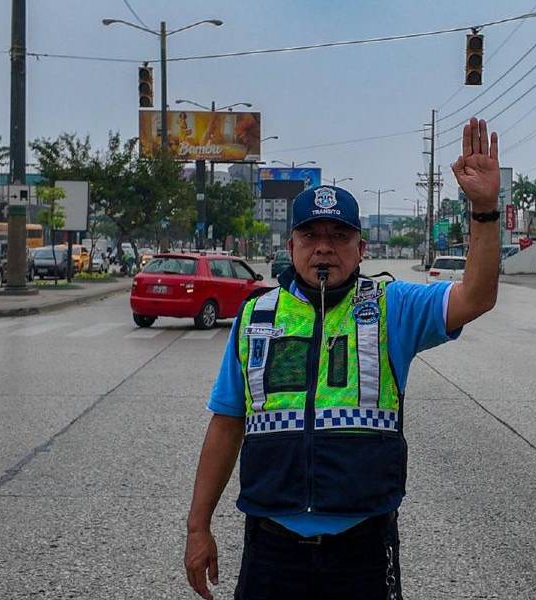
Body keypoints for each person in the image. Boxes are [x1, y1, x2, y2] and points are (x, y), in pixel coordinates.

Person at [183, 118, 502, 599]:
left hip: (361, 549)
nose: (324, 247)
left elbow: (476, 295)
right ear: (291, 247)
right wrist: (197, 526)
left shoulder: (393, 306)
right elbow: (228, 423)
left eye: (339, 235)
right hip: (272, 547)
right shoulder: (257, 315)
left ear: (361, 248)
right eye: (311, 235)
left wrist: (483, 209)